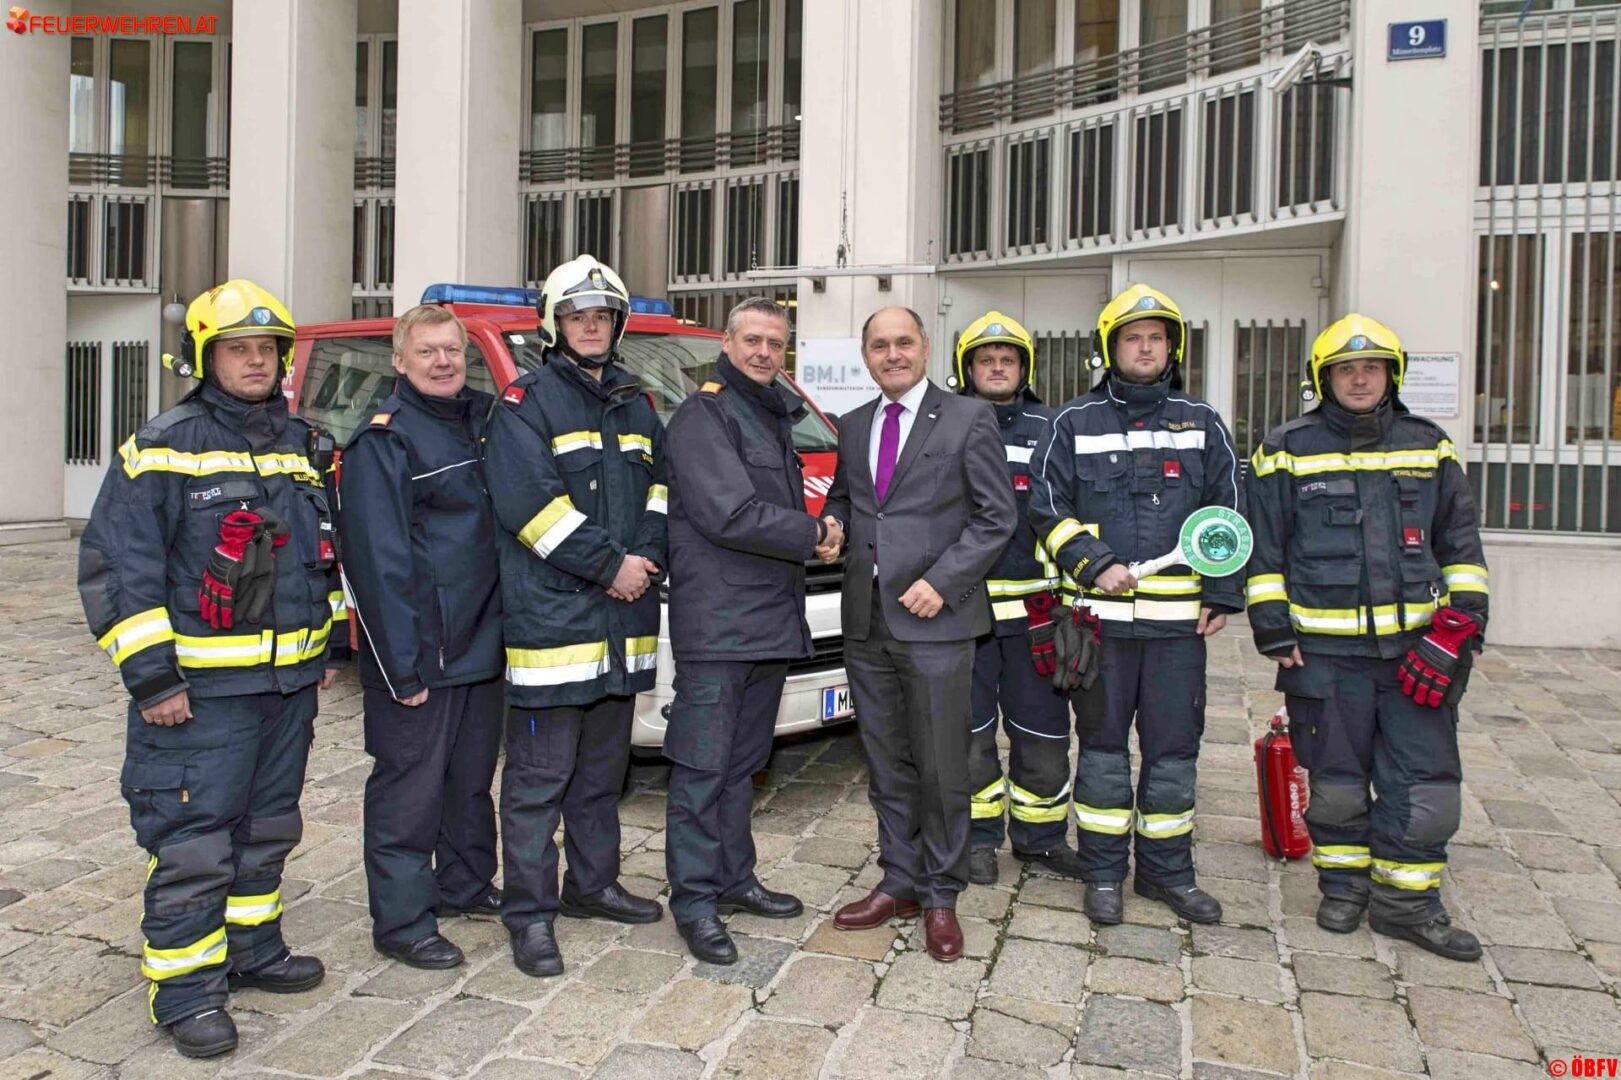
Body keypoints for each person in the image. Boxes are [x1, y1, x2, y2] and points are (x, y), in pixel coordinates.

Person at [78, 280, 345, 1059]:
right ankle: (185, 988)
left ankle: (251, 949)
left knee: (267, 829)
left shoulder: (298, 444)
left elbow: (316, 561)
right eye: (239, 349)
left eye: (266, 349)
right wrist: (154, 679)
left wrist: (323, 650)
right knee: (196, 839)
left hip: (286, 688)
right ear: (206, 357)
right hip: (201, 698)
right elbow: (118, 568)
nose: (255, 361)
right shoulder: (165, 443)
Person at [1245, 314, 1489, 961]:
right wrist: (1271, 628)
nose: (1359, 378)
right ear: (1322, 379)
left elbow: (1459, 545)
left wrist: (1460, 629)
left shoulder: (1426, 445)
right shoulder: (1284, 449)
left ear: (1390, 376)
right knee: (1334, 783)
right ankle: (1343, 888)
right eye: (1345, 369)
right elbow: (1263, 549)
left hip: (1416, 654)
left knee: (1426, 783)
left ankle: (1407, 905)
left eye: (1371, 368)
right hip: (1322, 656)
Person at [1030, 283, 1242, 926]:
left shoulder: (1203, 422)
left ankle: (1166, 875)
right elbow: (1046, 507)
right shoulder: (1073, 422)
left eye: (1156, 337)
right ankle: (1102, 875)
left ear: (1171, 348)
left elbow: (1230, 512)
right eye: (1132, 337)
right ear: (1110, 349)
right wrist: (1094, 563)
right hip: (1100, 630)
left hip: (1178, 631)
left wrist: (1225, 591)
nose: (1144, 348)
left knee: (1174, 755)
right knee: (1100, 754)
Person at [483, 255, 667, 979]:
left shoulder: (638, 402)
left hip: (621, 631)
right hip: (554, 631)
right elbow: (529, 508)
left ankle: (592, 886)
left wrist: (645, 559)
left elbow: (660, 491)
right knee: (536, 785)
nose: (590, 326)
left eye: (601, 316)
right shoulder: (524, 404)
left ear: (617, 324)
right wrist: (611, 567)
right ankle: (529, 914)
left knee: (601, 778)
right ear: (554, 325)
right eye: (576, 316)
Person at [820, 306, 1016, 962]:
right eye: (879, 345)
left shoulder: (967, 418)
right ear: (865, 354)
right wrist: (831, 527)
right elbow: (849, 501)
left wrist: (943, 581)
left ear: (924, 348)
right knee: (885, 762)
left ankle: (940, 894)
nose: (892, 354)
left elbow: (995, 518)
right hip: (866, 621)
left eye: (903, 342)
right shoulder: (852, 426)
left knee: (939, 765)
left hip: (937, 620)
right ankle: (898, 879)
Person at [662, 297, 832, 964]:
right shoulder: (705, 415)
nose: (764, 352)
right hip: (720, 625)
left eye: (775, 343)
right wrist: (815, 532)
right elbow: (729, 513)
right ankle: (694, 902)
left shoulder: (768, 415)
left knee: (741, 767)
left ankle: (733, 878)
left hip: (765, 621)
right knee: (702, 770)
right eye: (752, 340)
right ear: (727, 344)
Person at [338, 304, 504, 972]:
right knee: (409, 789)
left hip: (480, 643)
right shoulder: (385, 441)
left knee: (468, 781)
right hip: (420, 653)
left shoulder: (483, 422)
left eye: (452, 352)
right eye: (428, 352)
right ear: (399, 361)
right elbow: (377, 565)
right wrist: (400, 668)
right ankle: (403, 921)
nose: (443, 363)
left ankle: (464, 884)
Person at [952, 311, 1086, 886]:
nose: (998, 367)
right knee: (971, 738)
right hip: (968, 618)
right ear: (968, 370)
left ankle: (1041, 841)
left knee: (1044, 735)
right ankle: (978, 840)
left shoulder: (1054, 429)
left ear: (1024, 368)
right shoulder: (947, 426)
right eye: (987, 360)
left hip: (1037, 617)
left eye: (1008, 359)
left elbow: (1079, 515)